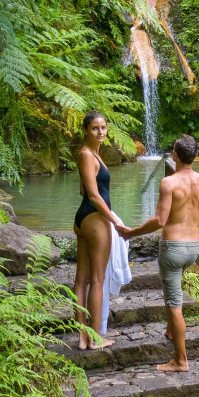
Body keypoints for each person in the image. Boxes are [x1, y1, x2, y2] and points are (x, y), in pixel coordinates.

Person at [117, 135, 199, 372]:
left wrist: (132, 233)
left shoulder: (169, 183)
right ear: (194, 156)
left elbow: (160, 220)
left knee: (174, 303)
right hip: (192, 249)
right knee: (175, 292)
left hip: (172, 249)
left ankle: (181, 360)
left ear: (175, 156)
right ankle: (172, 331)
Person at [73, 110, 116, 351]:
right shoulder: (87, 155)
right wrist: (114, 221)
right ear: (85, 131)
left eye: (103, 128)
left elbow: (83, 190)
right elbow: (92, 195)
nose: (100, 132)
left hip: (85, 218)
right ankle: (96, 337)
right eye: (95, 128)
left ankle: (82, 337)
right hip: (95, 218)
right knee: (96, 280)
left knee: (82, 279)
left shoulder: (90, 155)